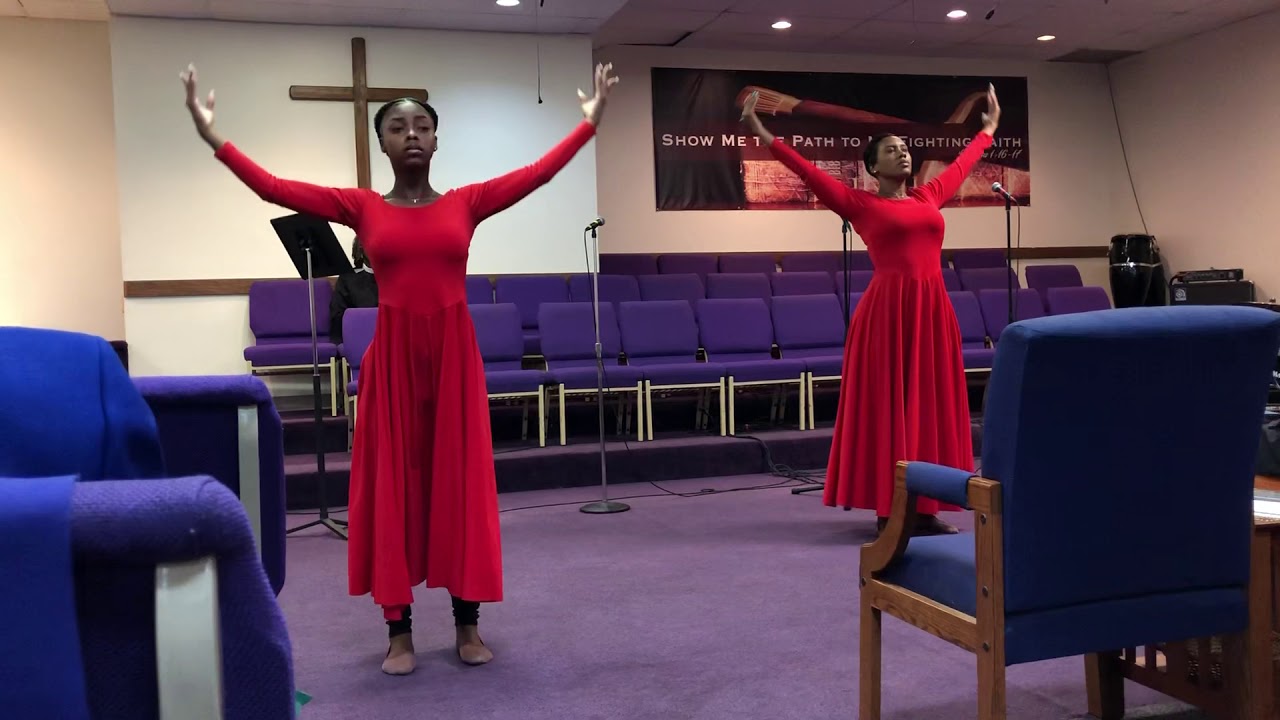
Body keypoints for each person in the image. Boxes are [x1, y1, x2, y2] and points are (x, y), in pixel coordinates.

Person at [181, 61, 619, 675]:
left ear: (437, 141)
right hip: (392, 362)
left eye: (421, 125)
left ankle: (468, 621)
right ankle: (399, 631)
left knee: (459, 481)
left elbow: (538, 175)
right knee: (392, 485)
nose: (410, 133)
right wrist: (214, 139)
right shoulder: (361, 207)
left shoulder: (467, 203)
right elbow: (274, 188)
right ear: (382, 143)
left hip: (453, 357)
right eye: (397, 126)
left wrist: (589, 124)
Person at [740, 84, 1001, 536]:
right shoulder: (859, 203)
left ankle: (926, 507)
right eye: (891, 150)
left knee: (928, 407)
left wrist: (989, 131)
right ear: (872, 166)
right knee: (891, 409)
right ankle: (889, 509)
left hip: (931, 310)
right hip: (887, 315)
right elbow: (803, 170)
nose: (902, 155)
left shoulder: (928, 196)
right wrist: (758, 129)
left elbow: (962, 165)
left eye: (904, 149)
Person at [329, 237, 379, 345]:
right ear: (360, 248)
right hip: (358, 338)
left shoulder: (399, 278)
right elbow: (338, 315)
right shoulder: (348, 279)